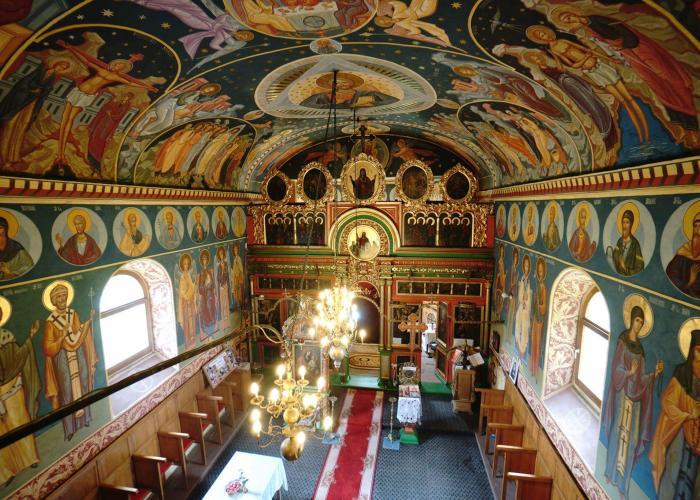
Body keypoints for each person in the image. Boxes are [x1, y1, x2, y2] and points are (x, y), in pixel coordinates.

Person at [603, 304, 663, 496]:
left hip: (635, 401)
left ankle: (623, 486)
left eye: (642, 322)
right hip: (622, 396)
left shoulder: (640, 350)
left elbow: (641, 378)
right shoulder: (622, 341)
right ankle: (610, 473)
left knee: (632, 440)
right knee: (617, 432)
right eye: (637, 320)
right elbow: (616, 370)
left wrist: (654, 374)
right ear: (631, 320)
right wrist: (629, 372)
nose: (639, 324)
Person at [42, 282, 97, 441]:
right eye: (58, 297)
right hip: (62, 359)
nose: (62, 299)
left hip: (78, 354)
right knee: (66, 391)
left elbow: (78, 332)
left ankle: (85, 418)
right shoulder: (50, 322)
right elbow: (48, 348)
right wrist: (61, 336)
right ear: (53, 301)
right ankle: (70, 428)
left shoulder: (72, 314)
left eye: (64, 296)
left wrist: (89, 321)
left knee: (83, 383)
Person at [648, 329, 699, 499]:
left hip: (697, 440)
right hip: (679, 433)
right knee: (673, 471)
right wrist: (688, 415)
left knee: (692, 481)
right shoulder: (682, 372)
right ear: (692, 351)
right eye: (699, 350)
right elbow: (667, 401)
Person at [0, 306, 40, 487]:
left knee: (19, 423)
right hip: (6, 390)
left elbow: (17, 358)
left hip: (12, 391)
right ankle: (6, 472)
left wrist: (30, 337)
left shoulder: (5, 336)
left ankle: (30, 458)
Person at [666, 211, 700, 298]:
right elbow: (671, 277)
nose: (697, 230)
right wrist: (691, 281)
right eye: (695, 226)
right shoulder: (684, 252)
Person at [0, 215, 34, 280]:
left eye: (0, 228)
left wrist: (11, 272)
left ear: (6, 229)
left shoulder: (16, 247)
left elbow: (29, 265)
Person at [611, 209, 644, 276]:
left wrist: (626, 269)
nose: (624, 225)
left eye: (627, 222)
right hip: (617, 273)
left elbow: (640, 266)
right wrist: (618, 257)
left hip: (628, 275)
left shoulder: (635, 244)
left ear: (631, 224)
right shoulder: (620, 241)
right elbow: (614, 256)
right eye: (623, 222)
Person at [530, 258, 547, 377]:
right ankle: (532, 367)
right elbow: (535, 302)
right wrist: (535, 300)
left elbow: (544, 306)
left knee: (537, 342)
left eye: (541, 272)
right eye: (538, 271)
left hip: (540, 320)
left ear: (543, 273)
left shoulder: (543, 288)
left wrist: (539, 304)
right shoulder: (538, 287)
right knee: (533, 340)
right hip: (536, 318)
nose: (539, 274)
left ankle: (536, 370)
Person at [177, 254, 198, 349]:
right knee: (187, 323)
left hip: (191, 303)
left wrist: (194, 286)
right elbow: (183, 293)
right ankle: (188, 344)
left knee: (192, 322)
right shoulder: (182, 278)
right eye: (184, 264)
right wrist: (193, 288)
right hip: (186, 304)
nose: (186, 266)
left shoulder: (188, 275)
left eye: (187, 264)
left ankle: (193, 342)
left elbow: (192, 288)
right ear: (182, 265)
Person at [514, 254, 532, 358]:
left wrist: (526, 300)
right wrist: (521, 300)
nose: (526, 268)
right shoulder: (522, 279)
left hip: (526, 309)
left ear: (529, 268)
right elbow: (520, 293)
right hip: (521, 306)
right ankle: (518, 345)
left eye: (527, 266)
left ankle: (523, 349)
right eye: (525, 266)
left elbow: (529, 295)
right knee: (518, 323)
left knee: (525, 327)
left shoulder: (529, 281)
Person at [197, 250, 217, 338]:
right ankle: (208, 325)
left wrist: (210, 284)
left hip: (210, 294)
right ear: (202, 261)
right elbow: (200, 288)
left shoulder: (209, 271)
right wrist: (205, 285)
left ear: (207, 260)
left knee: (212, 307)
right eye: (203, 259)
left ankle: (212, 322)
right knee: (206, 308)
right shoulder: (201, 273)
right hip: (205, 296)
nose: (205, 261)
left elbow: (213, 283)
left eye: (206, 259)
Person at [215, 247, 231, 329]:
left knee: (226, 303)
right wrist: (221, 271)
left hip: (225, 285)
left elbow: (227, 275)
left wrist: (223, 269)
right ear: (219, 255)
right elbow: (218, 277)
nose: (221, 256)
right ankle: (224, 324)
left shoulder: (226, 264)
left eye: (222, 254)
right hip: (221, 287)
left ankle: (228, 323)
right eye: (220, 254)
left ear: (223, 255)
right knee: (222, 304)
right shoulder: (218, 266)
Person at [231, 243, 245, 308]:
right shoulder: (234, 259)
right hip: (235, 278)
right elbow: (234, 269)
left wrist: (239, 275)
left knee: (239, 290)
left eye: (236, 249)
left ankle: (240, 302)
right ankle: (237, 303)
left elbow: (241, 268)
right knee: (236, 290)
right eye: (234, 250)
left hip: (239, 277)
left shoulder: (238, 258)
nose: (235, 251)